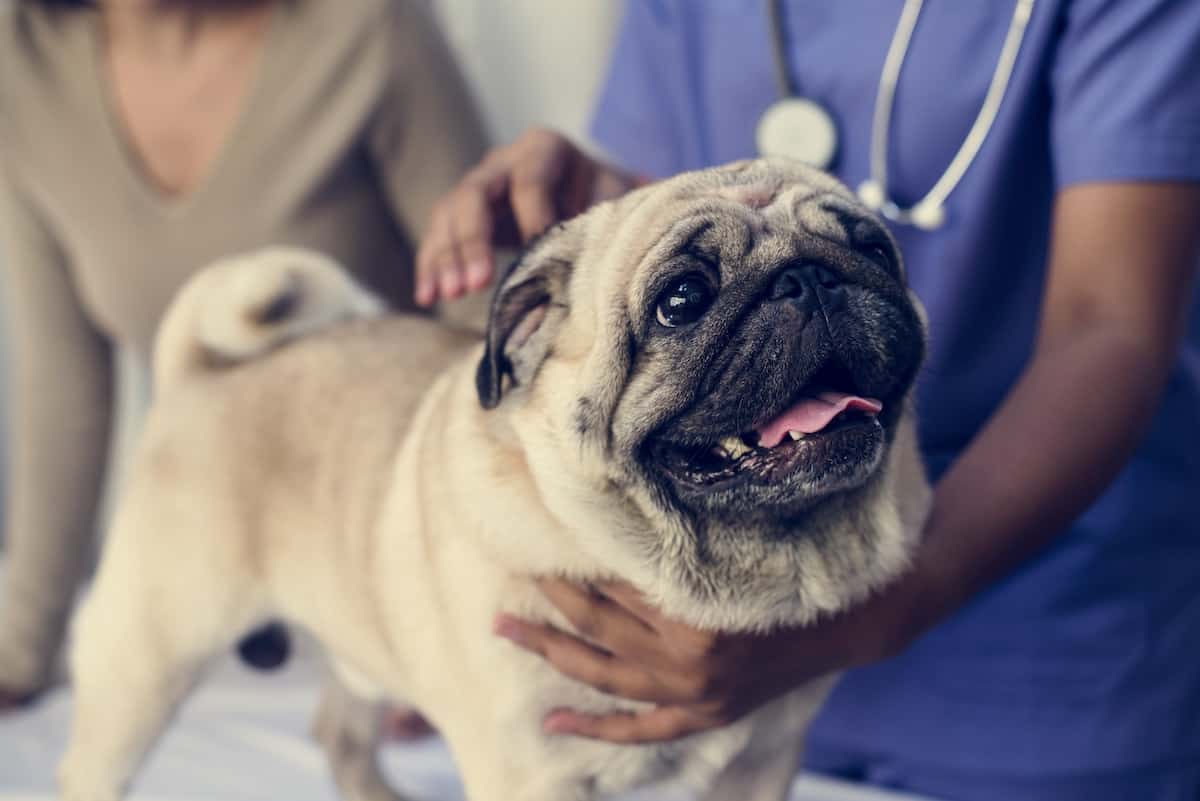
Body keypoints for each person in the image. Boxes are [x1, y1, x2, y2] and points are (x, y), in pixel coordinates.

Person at [416, 1, 1200, 798]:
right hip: (691, 686)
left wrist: (881, 610)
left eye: (851, 251)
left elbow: (1111, 325)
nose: (801, 297)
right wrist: (598, 208)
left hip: (1046, 673)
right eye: (687, 297)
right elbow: (672, 205)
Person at [0, 0, 487, 709]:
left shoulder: (370, 29)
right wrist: (22, 644)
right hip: (215, 552)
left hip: (403, 563)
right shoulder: (22, 65)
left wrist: (457, 623)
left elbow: (493, 318)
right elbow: (64, 382)